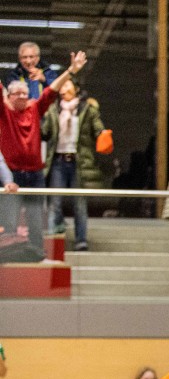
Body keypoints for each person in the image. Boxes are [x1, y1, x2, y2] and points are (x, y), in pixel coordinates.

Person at [1, 50, 85, 256]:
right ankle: (7, 258)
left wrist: (71, 71)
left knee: (36, 220)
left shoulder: (35, 109)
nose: (22, 97)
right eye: (17, 94)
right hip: (11, 175)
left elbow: (52, 90)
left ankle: (37, 255)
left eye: (25, 94)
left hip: (35, 174)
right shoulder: (4, 112)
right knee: (8, 221)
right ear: (9, 97)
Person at [41, 77, 105, 251]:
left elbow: (98, 129)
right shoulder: (53, 109)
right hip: (58, 161)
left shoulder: (87, 109)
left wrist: (104, 135)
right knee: (55, 202)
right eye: (62, 85)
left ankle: (81, 240)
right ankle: (53, 241)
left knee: (80, 203)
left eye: (68, 85)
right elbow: (44, 133)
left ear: (76, 88)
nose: (65, 88)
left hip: (78, 161)